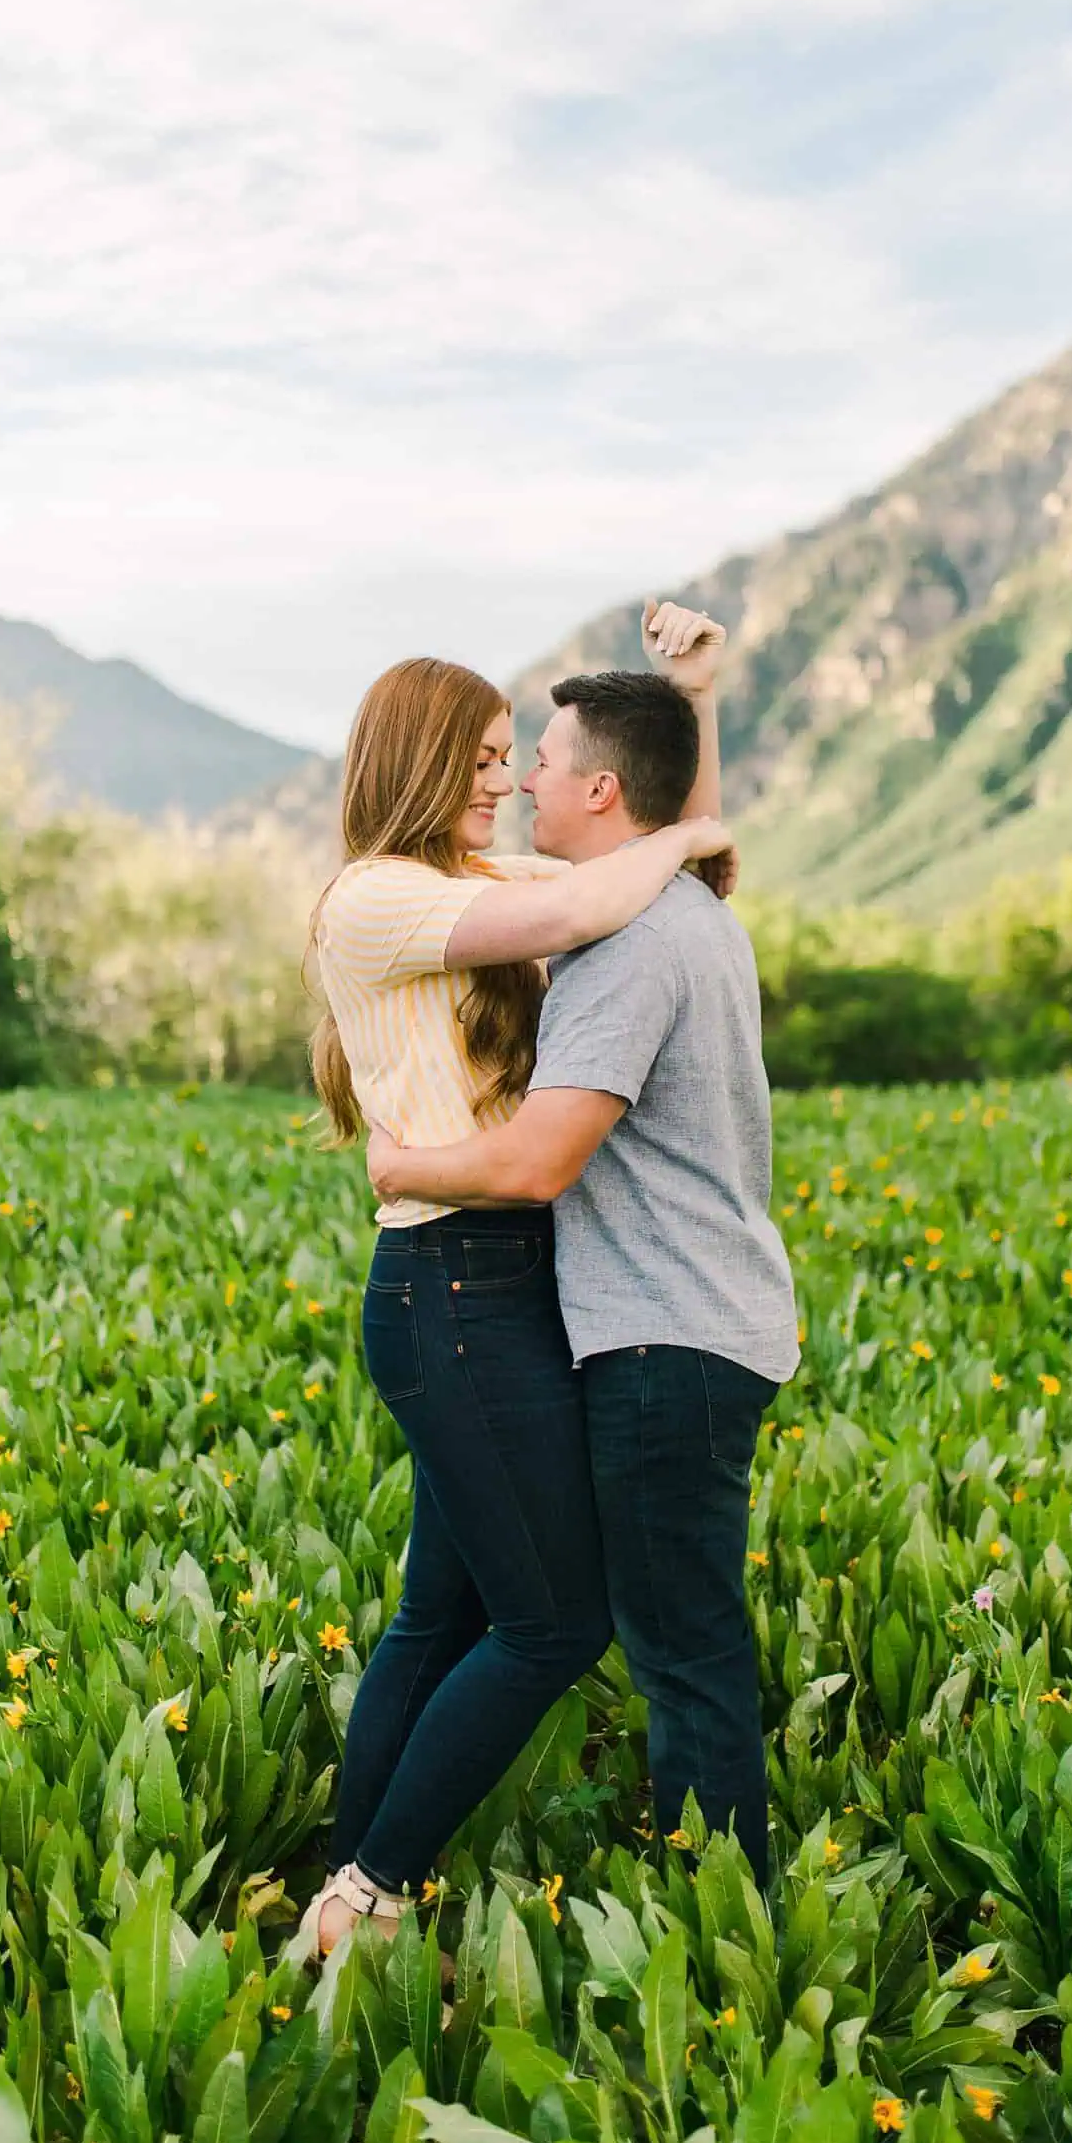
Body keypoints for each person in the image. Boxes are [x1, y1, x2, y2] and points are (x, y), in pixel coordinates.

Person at [296, 609, 733, 1955]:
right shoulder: (381, 898)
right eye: (485, 758)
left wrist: (692, 708)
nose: (504, 781)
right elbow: (616, 878)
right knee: (552, 1625)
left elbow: (653, 863)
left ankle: (336, 1883)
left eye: (516, 757)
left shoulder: (474, 876)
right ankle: (372, 1893)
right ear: (425, 762)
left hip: (494, 1287)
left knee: (444, 1614)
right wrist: (682, 826)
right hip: (454, 1292)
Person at [368, 663, 799, 1884]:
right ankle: (718, 1906)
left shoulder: (627, 944)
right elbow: (677, 828)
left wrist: (404, 1160)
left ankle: (725, 1934)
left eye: (542, 763)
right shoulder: (696, 913)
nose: (524, 785)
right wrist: (699, 701)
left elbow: (544, 1159)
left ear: (601, 791)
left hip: (664, 1339)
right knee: (683, 1642)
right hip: (708, 1320)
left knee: (682, 1654)